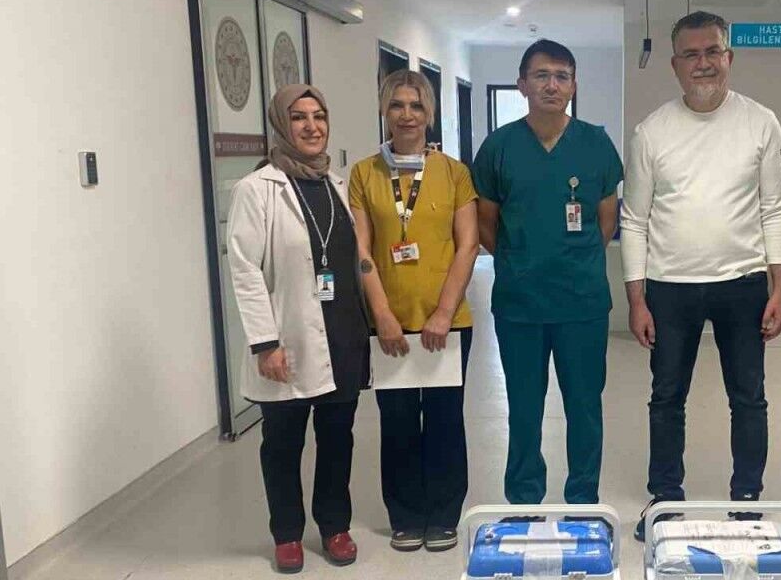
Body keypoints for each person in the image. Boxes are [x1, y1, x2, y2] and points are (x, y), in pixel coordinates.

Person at [622, 11, 781, 541]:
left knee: (749, 398)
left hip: (743, 284)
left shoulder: (760, 122)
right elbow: (634, 219)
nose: (703, 63)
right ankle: (665, 498)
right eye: (691, 54)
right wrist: (637, 299)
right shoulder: (651, 132)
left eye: (713, 51)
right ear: (675, 65)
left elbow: (775, 208)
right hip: (670, 287)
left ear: (729, 57)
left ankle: (747, 499)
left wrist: (780, 287)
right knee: (666, 397)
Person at [471, 39, 623, 509]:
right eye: (541, 75)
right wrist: (522, 260)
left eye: (561, 76)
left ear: (574, 85)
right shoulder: (499, 147)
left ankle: (583, 501)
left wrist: (573, 260)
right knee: (523, 409)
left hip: (582, 302)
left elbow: (606, 221)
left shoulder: (595, 143)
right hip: (520, 304)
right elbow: (485, 224)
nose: (551, 85)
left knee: (584, 407)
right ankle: (523, 500)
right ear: (522, 84)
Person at [227, 84, 368, 574]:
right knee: (283, 444)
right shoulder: (257, 189)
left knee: (338, 440)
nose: (312, 126)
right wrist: (265, 343)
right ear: (281, 125)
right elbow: (245, 269)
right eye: (299, 117)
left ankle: (334, 526)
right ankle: (287, 533)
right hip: (287, 339)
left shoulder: (338, 184)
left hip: (342, 335)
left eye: (319, 116)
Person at [349, 70, 480, 553]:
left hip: (447, 322)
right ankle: (405, 515)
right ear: (384, 111)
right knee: (398, 422)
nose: (407, 115)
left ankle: (443, 514)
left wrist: (444, 312)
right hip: (390, 323)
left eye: (417, 105)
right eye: (397, 105)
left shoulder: (454, 172)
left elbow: (468, 245)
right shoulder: (364, 173)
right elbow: (362, 249)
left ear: (430, 113)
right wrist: (381, 314)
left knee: (445, 420)